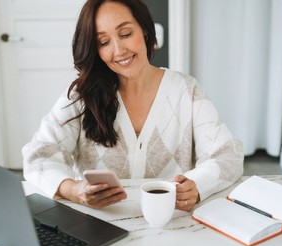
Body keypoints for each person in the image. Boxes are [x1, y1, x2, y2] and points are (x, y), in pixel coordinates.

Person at [22, 0, 244, 212]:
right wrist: (74, 190)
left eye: (125, 34)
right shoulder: (82, 96)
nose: (119, 50)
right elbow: (38, 156)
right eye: (103, 42)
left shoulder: (186, 89)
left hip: (173, 223)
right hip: (100, 225)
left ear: (144, 30)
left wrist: (196, 185)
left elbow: (227, 156)